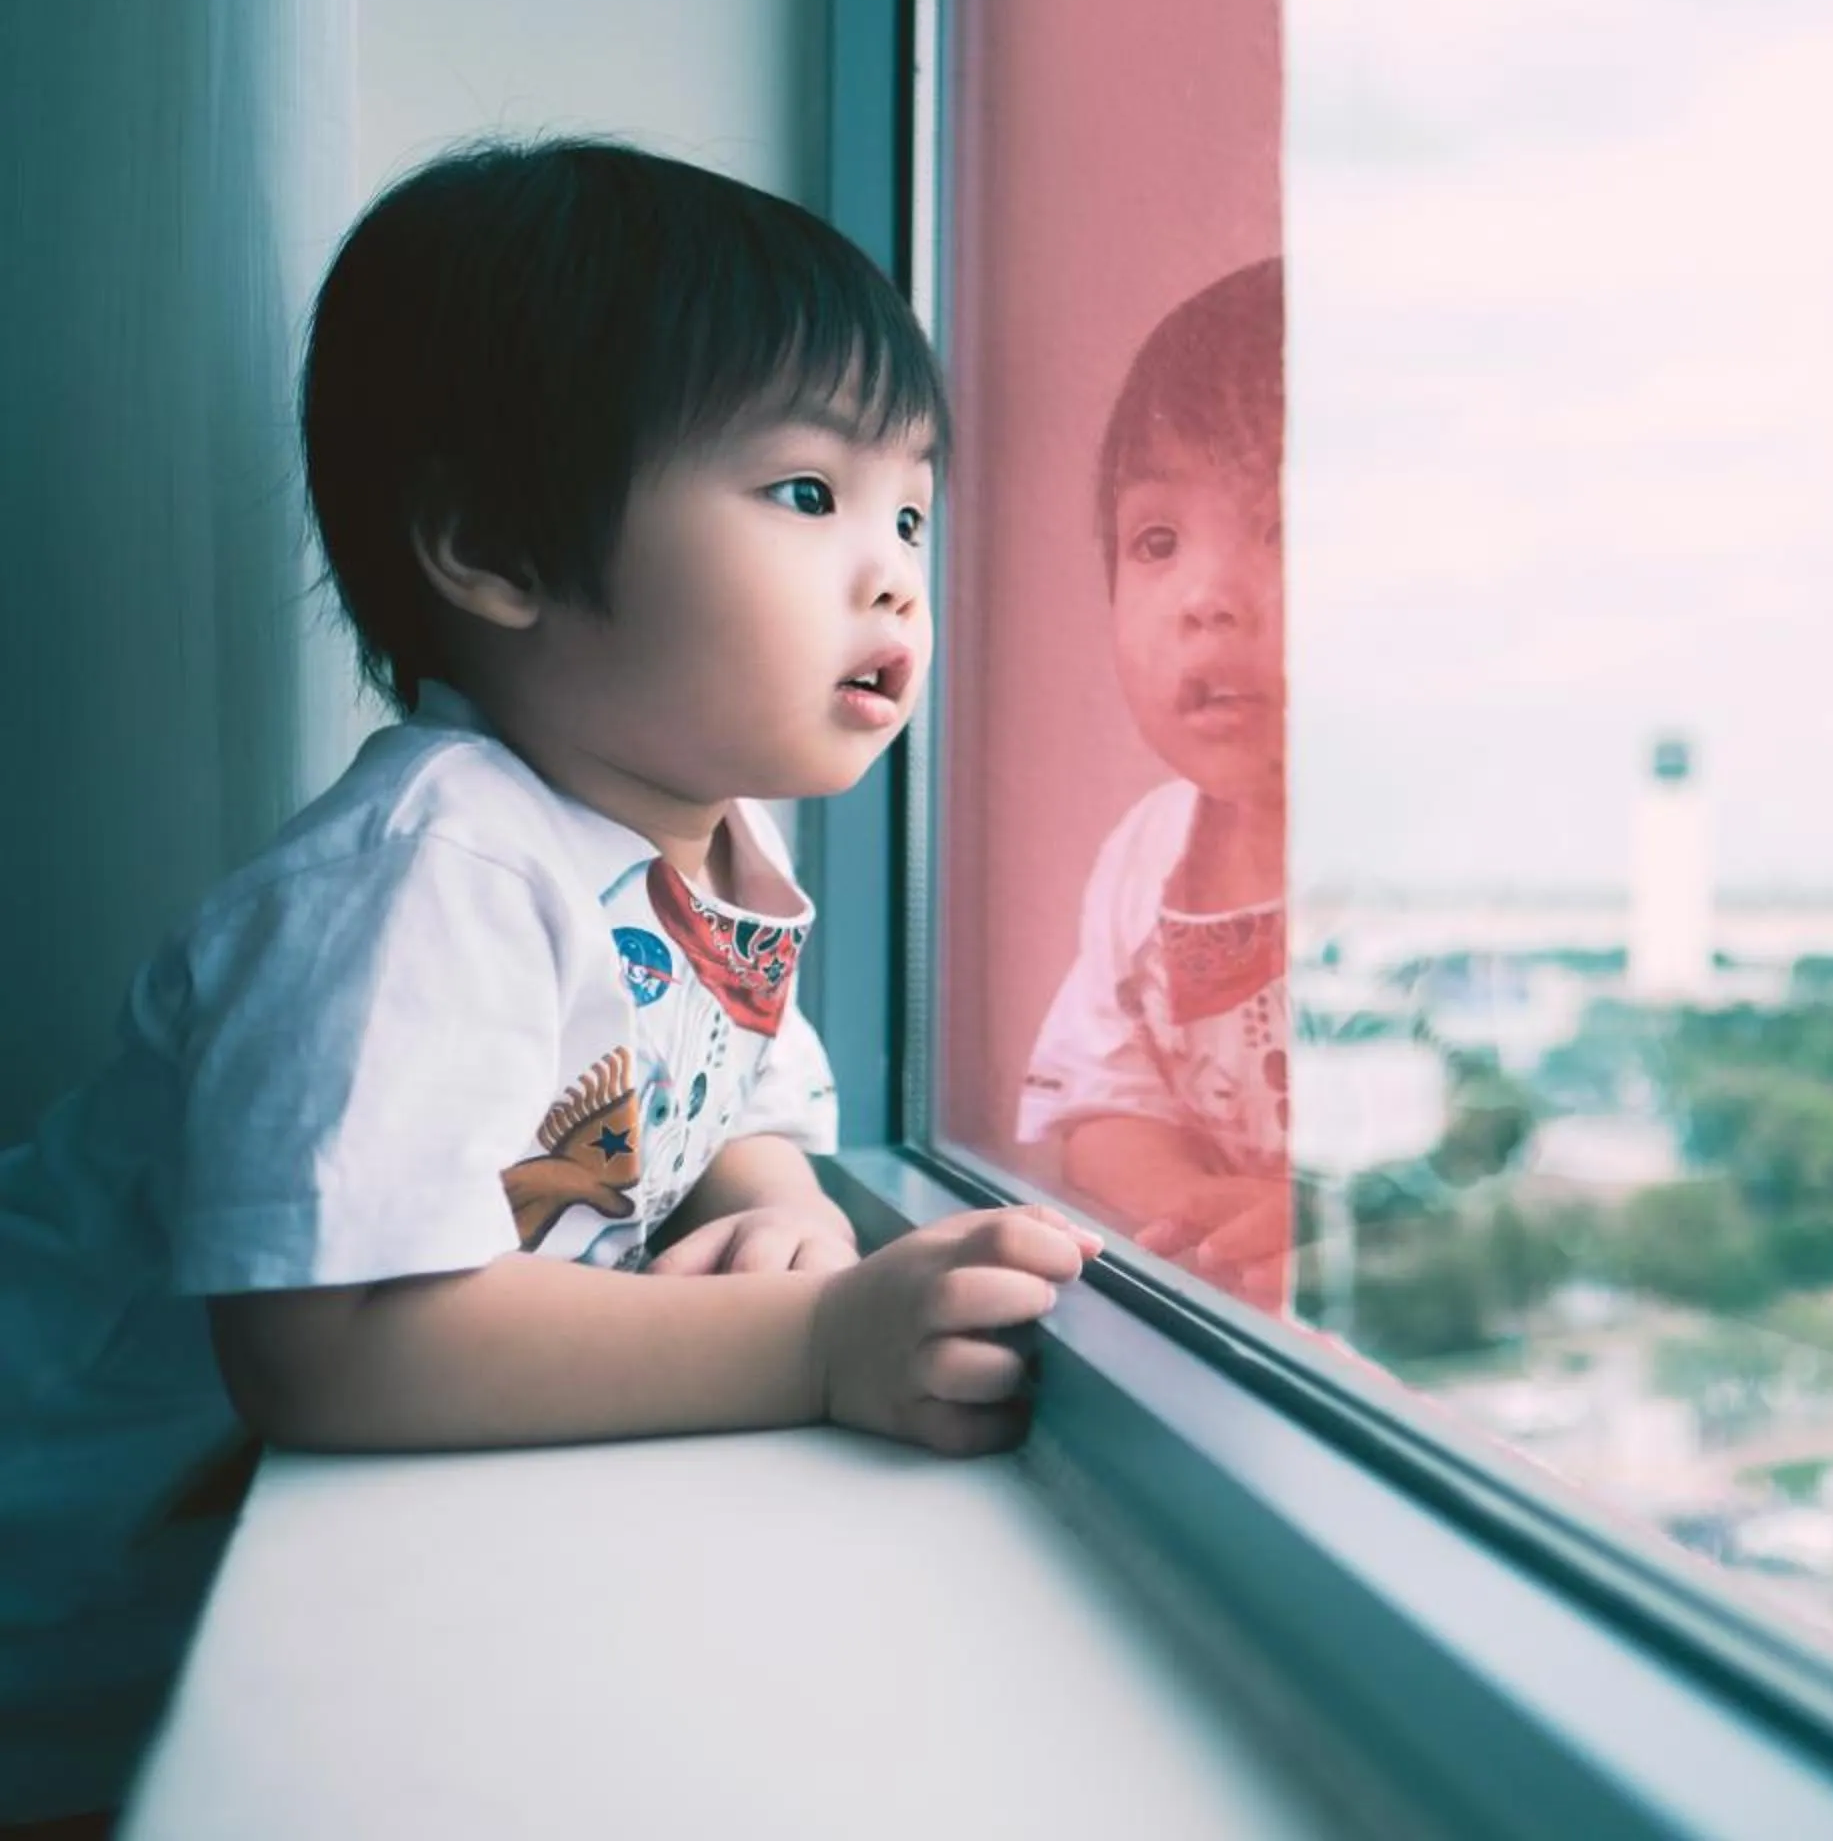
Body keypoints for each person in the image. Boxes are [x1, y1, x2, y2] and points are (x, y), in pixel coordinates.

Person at [0, 138, 1101, 1835]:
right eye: (806, 495)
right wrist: (810, 1340)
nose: (893, 571)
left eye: (910, 509)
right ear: (497, 547)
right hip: (54, 1590)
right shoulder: (433, 876)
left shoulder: (698, 855)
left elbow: (741, 1092)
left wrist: (772, 1192)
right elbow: (335, 1345)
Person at [1018, 259, 1292, 1312]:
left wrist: (1364, 1233)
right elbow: (1098, 1106)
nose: (1205, 600)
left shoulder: (1439, 869)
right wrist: (1194, 1208)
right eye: (1158, 540)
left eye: (1284, 527)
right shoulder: (1144, 852)